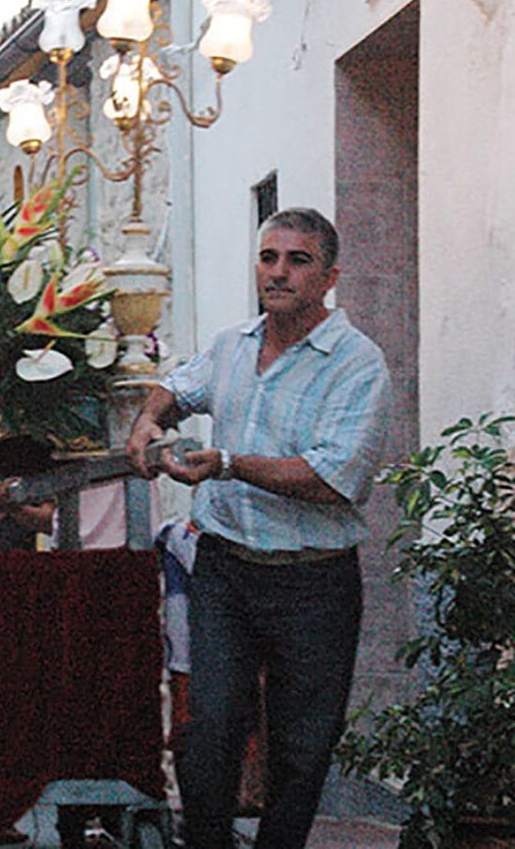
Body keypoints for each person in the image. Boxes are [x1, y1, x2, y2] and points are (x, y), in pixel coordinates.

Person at [127, 208, 391, 848]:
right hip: (226, 573)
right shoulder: (233, 345)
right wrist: (148, 420)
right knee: (208, 733)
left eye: (297, 261)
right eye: (268, 257)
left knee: (302, 749)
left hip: (313, 583)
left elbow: (332, 479)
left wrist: (226, 463)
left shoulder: (358, 364)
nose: (278, 273)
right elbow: (176, 384)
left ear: (330, 276)